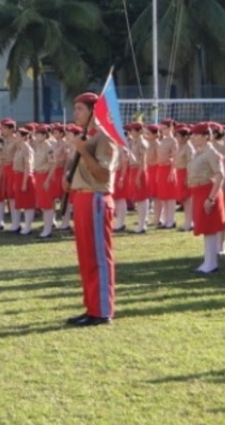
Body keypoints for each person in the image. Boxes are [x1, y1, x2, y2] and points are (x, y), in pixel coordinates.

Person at [63, 92, 119, 327]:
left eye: (80, 109)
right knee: (86, 258)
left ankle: (103, 310)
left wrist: (83, 150)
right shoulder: (87, 137)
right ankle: (92, 307)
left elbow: (103, 175)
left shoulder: (104, 139)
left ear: (93, 112)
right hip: (83, 199)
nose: (75, 113)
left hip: (96, 199)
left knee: (98, 257)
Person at [187, 123, 225, 274]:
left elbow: (220, 175)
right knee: (205, 228)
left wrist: (210, 199)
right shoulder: (198, 152)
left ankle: (211, 263)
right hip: (198, 191)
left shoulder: (211, 153)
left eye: (197, 135)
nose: (193, 138)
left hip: (207, 191)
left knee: (209, 228)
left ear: (206, 136)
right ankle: (208, 261)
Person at [13, 127, 36, 235]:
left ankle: (28, 227)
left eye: (17, 135)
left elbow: (28, 166)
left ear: (23, 137)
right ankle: (22, 225)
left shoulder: (27, 148)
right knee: (21, 202)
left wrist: (24, 182)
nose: (15, 137)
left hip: (25, 176)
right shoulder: (19, 147)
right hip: (18, 175)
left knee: (28, 204)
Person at [126, 122, 149, 234]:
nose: (131, 132)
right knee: (138, 198)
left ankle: (142, 223)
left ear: (139, 131)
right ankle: (140, 221)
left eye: (133, 130)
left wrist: (138, 176)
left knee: (142, 198)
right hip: (133, 169)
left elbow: (143, 162)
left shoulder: (142, 143)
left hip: (140, 171)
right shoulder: (133, 142)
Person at [155, 119, 178, 229]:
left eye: (164, 128)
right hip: (161, 168)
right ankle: (165, 220)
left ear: (170, 128)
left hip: (168, 168)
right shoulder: (162, 140)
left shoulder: (173, 141)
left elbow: (174, 157)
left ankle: (171, 220)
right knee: (163, 196)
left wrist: (172, 172)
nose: (162, 130)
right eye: (161, 128)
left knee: (170, 197)